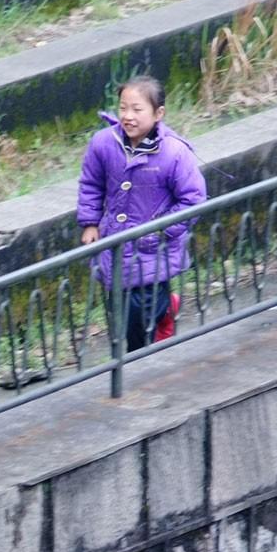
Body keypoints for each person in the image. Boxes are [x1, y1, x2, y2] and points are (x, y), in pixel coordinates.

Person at [77, 76, 207, 351]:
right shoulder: (103, 143)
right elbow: (91, 184)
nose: (128, 116)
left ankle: (141, 359)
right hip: (115, 243)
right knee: (122, 311)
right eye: (123, 108)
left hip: (153, 249)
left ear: (158, 113)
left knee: (140, 316)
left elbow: (193, 199)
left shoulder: (173, 152)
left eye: (137, 110)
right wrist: (90, 223)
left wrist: (161, 230)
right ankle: (162, 315)